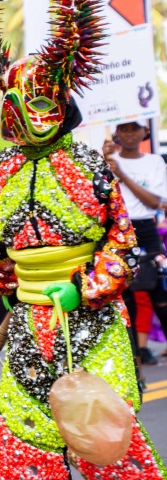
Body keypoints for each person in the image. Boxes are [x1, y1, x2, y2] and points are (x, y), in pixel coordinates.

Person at [0, 0, 165, 477]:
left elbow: (121, 241)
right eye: (20, 104)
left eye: (44, 101)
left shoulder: (90, 164)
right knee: (27, 441)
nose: (32, 115)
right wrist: (18, 290)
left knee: (105, 437)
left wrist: (85, 287)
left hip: (91, 323)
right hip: (27, 326)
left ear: (62, 104)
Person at [104, 120, 167, 366]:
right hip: (115, 231)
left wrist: (122, 174)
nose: (129, 134)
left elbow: (154, 202)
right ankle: (133, 360)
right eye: (123, 129)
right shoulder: (106, 160)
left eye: (134, 128)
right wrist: (107, 163)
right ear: (116, 132)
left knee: (159, 293)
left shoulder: (154, 162)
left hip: (146, 230)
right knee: (125, 297)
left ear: (145, 131)